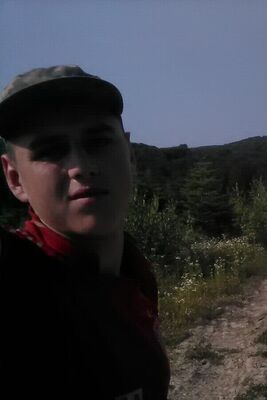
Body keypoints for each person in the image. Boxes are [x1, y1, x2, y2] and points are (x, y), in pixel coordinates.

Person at [0, 65, 170, 400]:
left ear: (130, 155)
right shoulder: (16, 279)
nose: (80, 166)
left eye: (98, 141)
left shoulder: (132, 269)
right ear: (15, 179)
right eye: (50, 150)